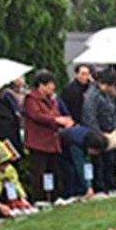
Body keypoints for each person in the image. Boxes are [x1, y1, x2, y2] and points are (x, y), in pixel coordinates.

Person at [23, 70, 72, 202]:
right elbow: (37, 116)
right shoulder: (31, 99)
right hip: (38, 142)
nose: (53, 87)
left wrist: (64, 120)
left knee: (53, 171)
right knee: (39, 172)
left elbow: (55, 113)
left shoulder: (51, 100)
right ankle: (39, 199)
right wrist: (56, 120)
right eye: (50, 84)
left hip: (52, 141)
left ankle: (54, 197)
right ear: (41, 85)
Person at [82, 70, 116, 192]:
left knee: (110, 161)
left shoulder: (107, 95)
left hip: (110, 132)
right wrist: (98, 135)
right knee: (99, 163)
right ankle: (100, 186)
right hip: (99, 134)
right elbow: (90, 116)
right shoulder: (92, 95)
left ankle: (110, 184)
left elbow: (112, 112)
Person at [61, 64, 93, 129]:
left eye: (87, 74)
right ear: (76, 74)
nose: (85, 77)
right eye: (83, 74)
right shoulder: (69, 89)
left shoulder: (90, 87)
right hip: (75, 123)